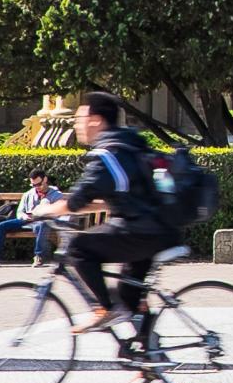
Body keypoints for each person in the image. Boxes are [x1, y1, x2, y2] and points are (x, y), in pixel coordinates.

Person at [55, 92, 180, 345]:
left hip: (141, 231)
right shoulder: (128, 143)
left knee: (79, 248)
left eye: (80, 118)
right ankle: (149, 360)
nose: (76, 124)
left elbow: (80, 197)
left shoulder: (107, 154)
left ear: (96, 120)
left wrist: (43, 210)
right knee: (129, 297)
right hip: (159, 230)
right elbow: (113, 194)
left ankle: (103, 309)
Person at [0, 170, 66, 265]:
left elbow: (58, 212)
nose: (37, 187)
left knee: (42, 225)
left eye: (39, 184)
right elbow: (20, 211)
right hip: (26, 220)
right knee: (2, 226)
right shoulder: (28, 194)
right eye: (33, 185)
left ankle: (39, 256)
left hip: (43, 221)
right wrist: (24, 216)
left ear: (45, 179)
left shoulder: (56, 194)